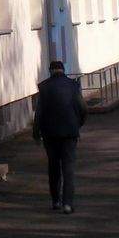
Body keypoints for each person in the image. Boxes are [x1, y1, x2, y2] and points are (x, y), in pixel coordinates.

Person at [32, 59, 87, 213]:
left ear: (50, 71)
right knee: (68, 168)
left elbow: (39, 113)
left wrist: (36, 133)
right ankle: (67, 204)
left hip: (50, 134)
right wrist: (78, 124)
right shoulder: (73, 85)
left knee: (53, 167)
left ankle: (56, 200)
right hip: (70, 133)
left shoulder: (44, 87)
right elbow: (83, 108)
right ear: (63, 70)